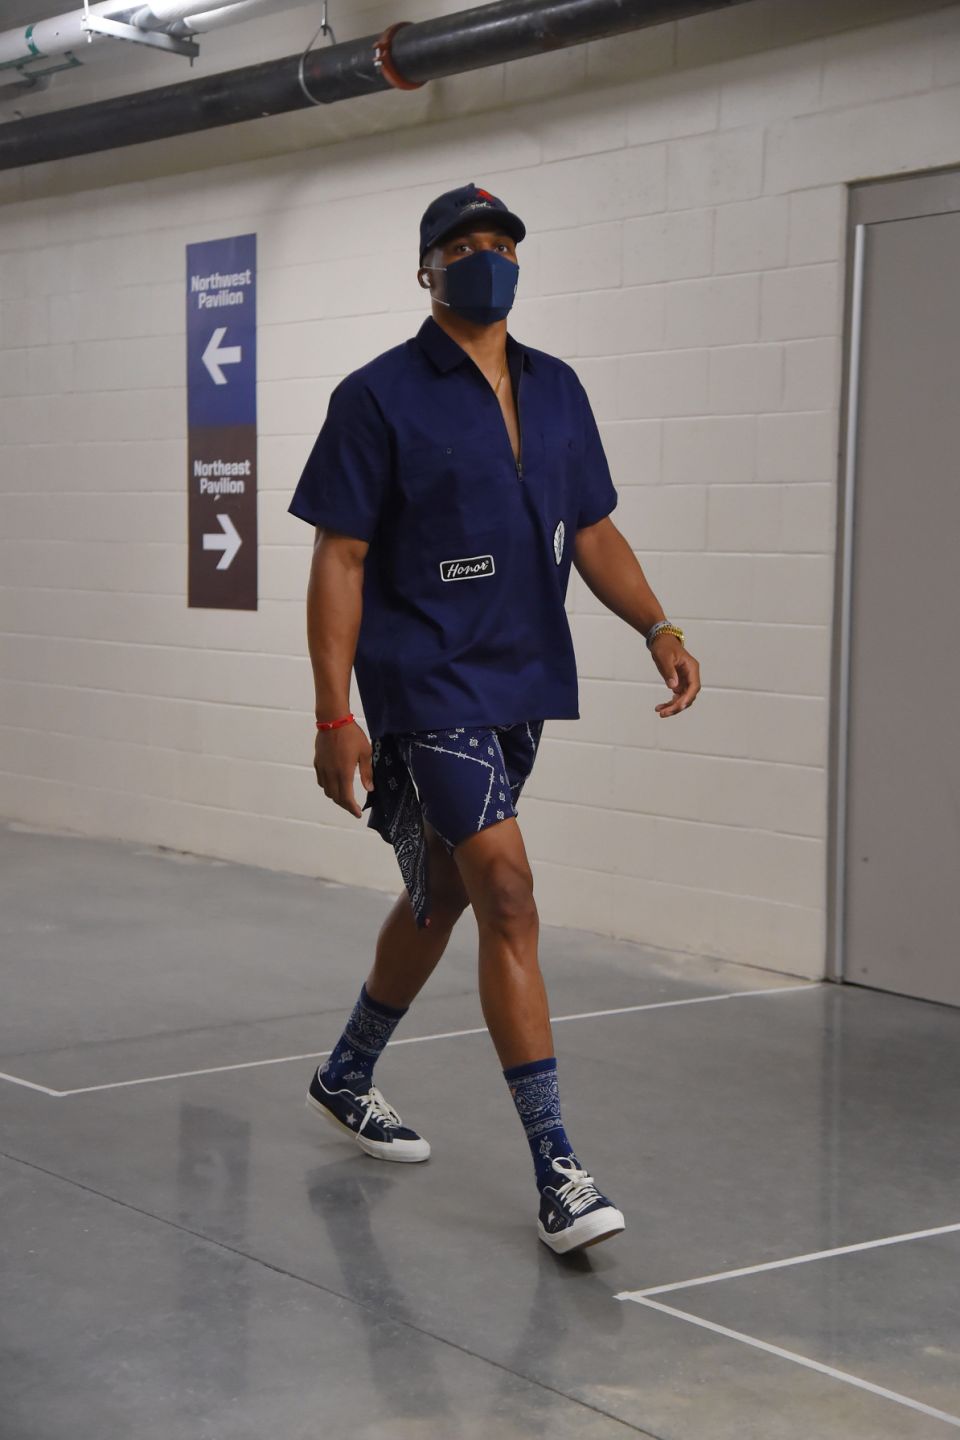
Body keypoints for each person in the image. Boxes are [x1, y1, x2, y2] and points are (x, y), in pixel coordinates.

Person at [288, 182, 701, 1255]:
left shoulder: (557, 389)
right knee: (508, 891)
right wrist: (335, 714)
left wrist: (654, 622)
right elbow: (338, 557)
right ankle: (559, 1171)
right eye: (462, 246)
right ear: (425, 269)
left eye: (502, 244)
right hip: (424, 679)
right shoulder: (377, 395)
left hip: (524, 679)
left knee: (446, 895)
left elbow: (594, 525)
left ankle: (346, 1074)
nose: (486, 259)